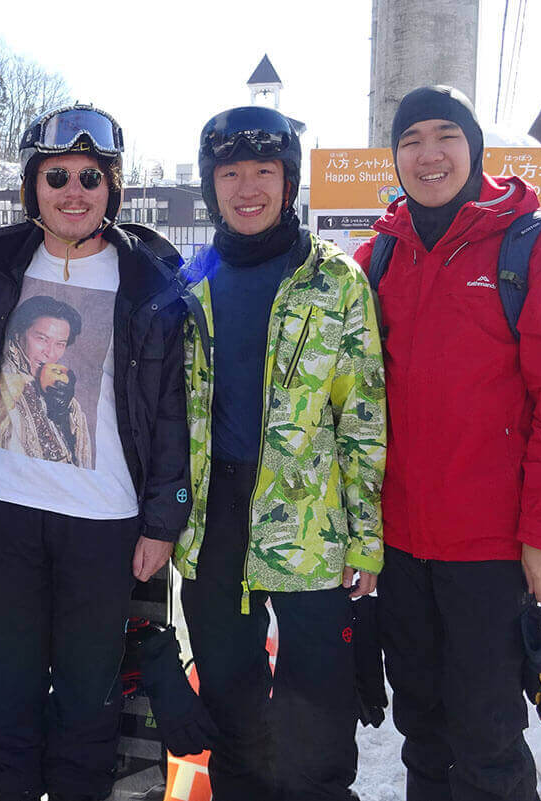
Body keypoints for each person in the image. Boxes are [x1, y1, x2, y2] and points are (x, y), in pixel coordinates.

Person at [353, 85, 541, 801]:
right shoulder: (378, 258)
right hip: (403, 551)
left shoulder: (540, 254)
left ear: (475, 149)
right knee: (423, 734)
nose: (428, 154)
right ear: (395, 156)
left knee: (489, 739)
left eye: (445, 136)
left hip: (490, 554)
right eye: (410, 141)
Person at [0, 103, 191, 801]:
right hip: (3, 512)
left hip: (104, 521)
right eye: (57, 174)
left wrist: (161, 519)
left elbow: (171, 411)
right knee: (5, 686)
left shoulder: (150, 283)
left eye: (90, 177)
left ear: (111, 188)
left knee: (89, 696)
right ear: (33, 182)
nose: (73, 190)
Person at [174, 105, 387, 801]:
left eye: (264, 171)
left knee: (316, 716)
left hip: (310, 523)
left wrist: (365, 537)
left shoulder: (334, 279)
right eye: (229, 173)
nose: (247, 187)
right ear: (211, 186)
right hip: (214, 523)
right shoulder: (190, 282)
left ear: (288, 179)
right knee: (233, 711)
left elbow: (361, 414)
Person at [0, 294, 92, 466]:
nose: (50, 353)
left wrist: (62, 417)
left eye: (60, 344)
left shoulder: (65, 399)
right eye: (42, 339)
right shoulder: (2, 378)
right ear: (18, 334)